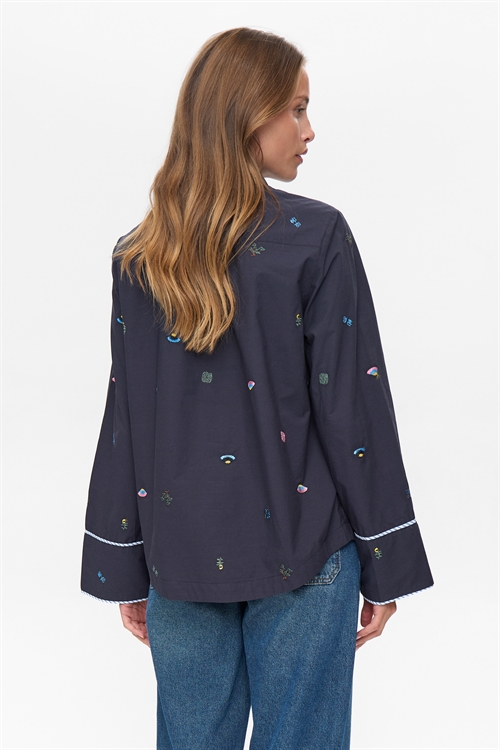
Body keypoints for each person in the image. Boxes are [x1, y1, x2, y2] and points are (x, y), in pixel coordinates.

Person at [81, 27, 434, 750]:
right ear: (248, 113)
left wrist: (124, 561)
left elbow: (127, 417)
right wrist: (385, 558)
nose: (310, 131)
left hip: (179, 556)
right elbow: (354, 408)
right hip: (307, 555)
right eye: (296, 109)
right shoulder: (316, 236)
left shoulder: (140, 255)